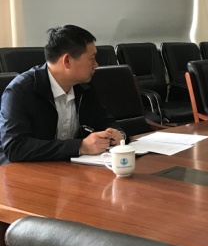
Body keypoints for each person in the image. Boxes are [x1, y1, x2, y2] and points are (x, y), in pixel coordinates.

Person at [0, 25, 126, 165]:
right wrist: (80, 146)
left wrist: (116, 134)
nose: (96, 64)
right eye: (92, 58)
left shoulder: (83, 86)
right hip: (24, 171)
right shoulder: (20, 91)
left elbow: (104, 120)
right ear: (67, 61)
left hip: (67, 167)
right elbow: (15, 147)